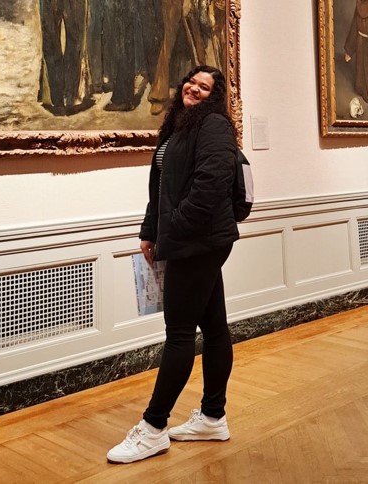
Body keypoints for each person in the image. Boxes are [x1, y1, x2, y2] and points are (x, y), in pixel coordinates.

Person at [106, 65, 239, 464]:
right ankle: (213, 417)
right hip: (190, 240)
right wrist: (150, 230)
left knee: (179, 333)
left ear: (214, 96)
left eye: (204, 87)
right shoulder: (179, 125)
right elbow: (161, 189)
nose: (194, 89)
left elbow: (211, 185)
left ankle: (153, 429)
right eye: (191, 82)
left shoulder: (214, 125)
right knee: (213, 327)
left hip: (199, 243)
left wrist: (175, 229)